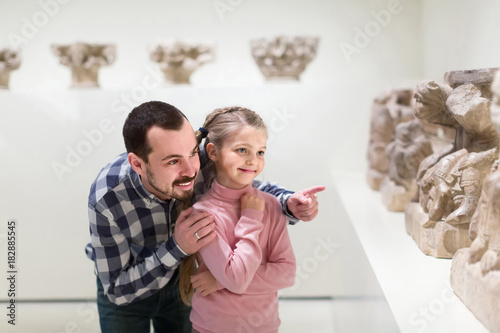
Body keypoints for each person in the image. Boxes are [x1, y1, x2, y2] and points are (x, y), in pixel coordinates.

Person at [85, 101, 324, 333]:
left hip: (184, 282)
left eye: (191, 153)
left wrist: (289, 204)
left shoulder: (205, 158)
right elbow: (117, 289)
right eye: (173, 161)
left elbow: (250, 188)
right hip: (130, 285)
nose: (191, 171)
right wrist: (177, 248)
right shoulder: (107, 198)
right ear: (138, 164)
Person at [182, 106, 298, 333]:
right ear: (213, 152)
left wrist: (218, 281)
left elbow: (287, 273)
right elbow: (236, 278)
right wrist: (251, 219)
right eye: (242, 150)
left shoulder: (272, 205)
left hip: (265, 327)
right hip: (212, 328)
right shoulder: (202, 214)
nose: (253, 161)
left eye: (260, 152)